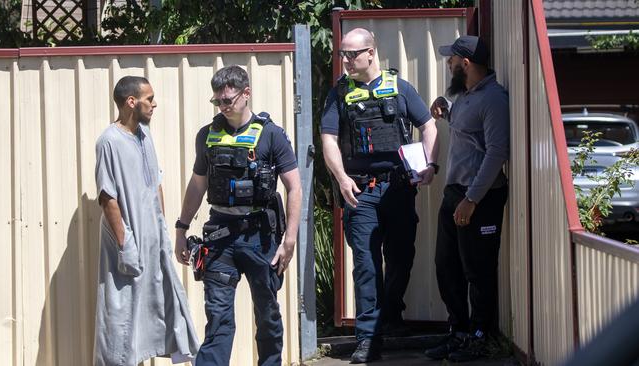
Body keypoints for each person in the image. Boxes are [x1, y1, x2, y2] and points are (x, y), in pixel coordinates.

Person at [321, 28, 439, 363]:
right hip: (361, 191)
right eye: (342, 54)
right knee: (367, 266)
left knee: (401, 257)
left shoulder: (400, 88)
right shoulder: (339, 94)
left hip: (400, 188)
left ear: (371, 53)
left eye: (352, 54)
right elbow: (328, 139)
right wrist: (342, 178)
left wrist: (430, 164)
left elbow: (428, 125)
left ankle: (391, 318)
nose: (346, 61)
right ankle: (368, 339)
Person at [174, 65, 302, 366]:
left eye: (228, 100)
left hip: (261, 237)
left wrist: (290, 239)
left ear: (246, 94)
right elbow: (198, 184)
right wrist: (181, 227)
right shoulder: (207, 135)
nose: (222, 106)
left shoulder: (271, 135)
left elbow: (294, 187)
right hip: (220, 237)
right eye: (217, 101)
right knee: (218, 317)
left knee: (267, 313)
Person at [93, 76, 200, 366]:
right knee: (121, 315)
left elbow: (156, 183)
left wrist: (162, 229)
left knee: (158, 305)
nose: (154, 104)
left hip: (154, 239)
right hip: (127, 241)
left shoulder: (144, 135)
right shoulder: (109, 142)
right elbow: (107, 197)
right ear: (131, 102)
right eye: (149, 99)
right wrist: (124, 242)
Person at [424, 35, 510, 362]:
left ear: (467, 63)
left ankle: (479, 338)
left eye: (452, 60)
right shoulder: (467, 96)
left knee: (478, 270)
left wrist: (472, 199)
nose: (449, 64)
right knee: (446, 267)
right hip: (455, 194)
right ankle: (458, 332)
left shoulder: (494, 100)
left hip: (480, 198)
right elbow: (466, 130)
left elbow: (496, 153)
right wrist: (444, 110)